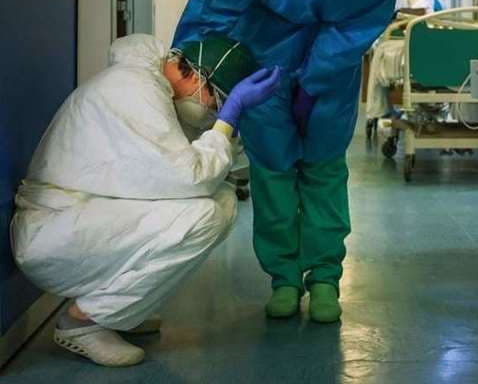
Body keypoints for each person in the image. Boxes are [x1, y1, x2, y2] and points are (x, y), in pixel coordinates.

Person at [173, 0, 398, 324]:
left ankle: (325, 276)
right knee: (272, 166)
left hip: (332, 66)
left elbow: (351, 33)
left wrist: (313, 84)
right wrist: (193, 60)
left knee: (324, 165)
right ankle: (284, 278)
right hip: (262, 49)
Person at [11, 33, 280, 367]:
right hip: (50, 232)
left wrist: (228, 125)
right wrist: (227, 122)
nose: (212, 113)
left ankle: (116, 310)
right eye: (216, 104)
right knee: (204, 216)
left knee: (221, 199)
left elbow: (196, 167)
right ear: (199, 77)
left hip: (77, 215)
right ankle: (82, 322)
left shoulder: (151, 88)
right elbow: (191, 177)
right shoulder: (134, 91)